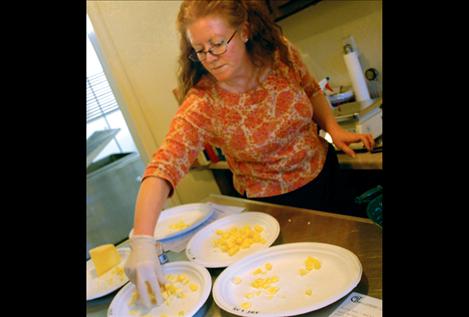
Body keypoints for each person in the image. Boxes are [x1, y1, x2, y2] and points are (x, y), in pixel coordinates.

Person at [124, 0, 375, 308]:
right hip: (275, 211)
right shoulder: (203, 103)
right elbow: (164, 165)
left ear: (243, 32)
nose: (210, 59)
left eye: (217, 44)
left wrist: (333, 129)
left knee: (359, 272)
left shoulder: (281, 55)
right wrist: (142, 241)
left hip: (326, 175)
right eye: (199, 50)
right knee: (305, 290)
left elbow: (311, 90)